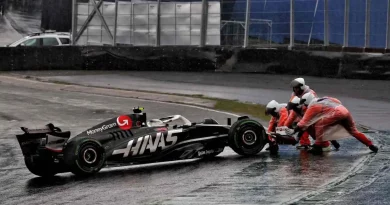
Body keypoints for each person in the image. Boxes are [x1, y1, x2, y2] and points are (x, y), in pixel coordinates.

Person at [286, 92, 378, 154]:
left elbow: (304, 123)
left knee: (319, 124)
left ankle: (318, 146)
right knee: (353, 131)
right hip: (344, 111)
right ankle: (371, 145)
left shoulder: (312, 106)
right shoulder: (324, 98)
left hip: (336, 113)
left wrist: (294, 131)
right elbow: (338, 101)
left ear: (307, 101)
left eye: (304, 103)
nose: (304, 105)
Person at [289, 77, 317, 149]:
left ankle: (321, 143)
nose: (295, 89)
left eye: (296, 88)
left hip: (310, 113)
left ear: (301, 87)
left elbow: (313, 106)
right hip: (300, 112)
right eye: (294, 88)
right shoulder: (294, 94)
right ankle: (304, 143)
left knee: (307, 126)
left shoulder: (311, 93)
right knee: (299, 124)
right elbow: (292, 106)